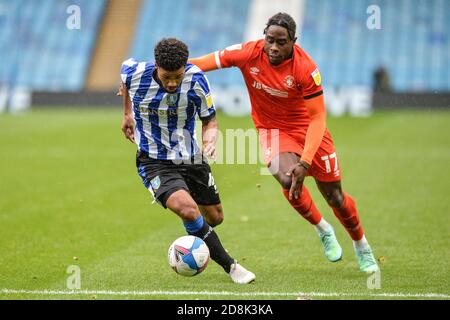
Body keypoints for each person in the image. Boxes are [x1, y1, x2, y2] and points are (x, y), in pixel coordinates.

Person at [189, 13, 379, 273]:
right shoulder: (248, 53)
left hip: (309, 131)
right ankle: (322, 228)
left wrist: (305, 161)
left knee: (335, 197)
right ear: (264, 37)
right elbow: (199, 64)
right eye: (270, 40)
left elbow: (318, 119)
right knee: (289, 180)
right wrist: (160, 70)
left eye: (281, 42)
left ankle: (361, 245)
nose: (274, 48)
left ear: (294, 41)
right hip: (273, 130)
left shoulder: (305, 68)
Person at [119, 38, 255, 284]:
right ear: (156, 67)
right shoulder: (136, 73)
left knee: (214, 218)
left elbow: (210, 120)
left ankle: (197, 227)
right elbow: (124, 75)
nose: (172, 83)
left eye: (177, 77)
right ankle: (232, 266)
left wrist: (210, 140)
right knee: (188, 210)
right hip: (153, 161)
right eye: (166, 76)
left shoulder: (196, 80)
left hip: (191, 157)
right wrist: (127, 113)